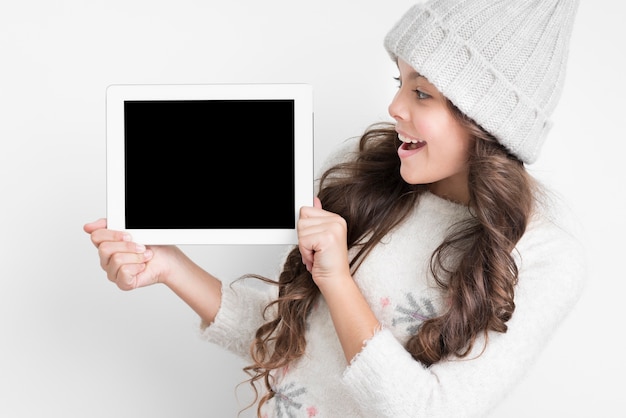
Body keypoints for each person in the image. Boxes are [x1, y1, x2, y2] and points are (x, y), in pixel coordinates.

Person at [84, 0, 586, 416]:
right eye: (400, 82)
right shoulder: (369, 175)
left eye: (422, 93)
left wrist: (339, 281)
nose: (395, 108)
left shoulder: (543, 256)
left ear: (485, 121)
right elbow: (294, 345)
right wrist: (170, 266)